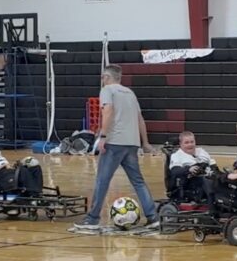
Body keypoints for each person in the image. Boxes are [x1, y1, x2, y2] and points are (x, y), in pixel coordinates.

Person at [72, 64, 158, 233]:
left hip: (114, 142)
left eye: (103, 77)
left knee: (102, 180)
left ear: (107, 77)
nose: (102, 80)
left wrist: (103, 137)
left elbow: (108, 112)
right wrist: (145, 143)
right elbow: (140, 119)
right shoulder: (130, 93)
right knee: (138, 181)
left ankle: (92, 219)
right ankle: (152, 217)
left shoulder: (107, 90)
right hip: (132, 143)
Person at [168, 131, 217, 201]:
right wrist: (189, 169)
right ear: (180, 144)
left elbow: (213, 164)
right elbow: (175, 171)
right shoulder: (177, 155)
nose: (190, 145)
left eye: (192, 142)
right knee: (206, 181)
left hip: (207, 176)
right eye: (186, 142)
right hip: (190, 182)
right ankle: (212, 205)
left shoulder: (201, 152)